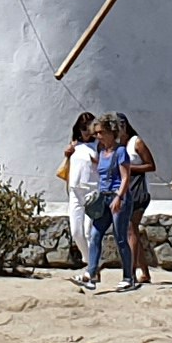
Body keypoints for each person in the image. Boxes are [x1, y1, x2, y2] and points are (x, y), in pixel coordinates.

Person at [104, 113, 155, 290]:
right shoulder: (117, 147)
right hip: (123, 192)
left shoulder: (136, 143)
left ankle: (131, 273)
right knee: (130, 231)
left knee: (131, 229)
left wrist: (128, 167)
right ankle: (145, 272)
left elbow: (151, 165)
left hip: (137, 191)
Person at [57, 112, 105, 288]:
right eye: (83, 128)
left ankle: (92, 270)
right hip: (75, 191)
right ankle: (91, 263)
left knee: (88, 231)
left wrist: (97, 160)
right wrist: (67, 154)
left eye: (89, 127)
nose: (86, 131)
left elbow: (106, 165)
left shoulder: (98, 146)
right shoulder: (74, 145)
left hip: (92, 191)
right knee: (76, 231)